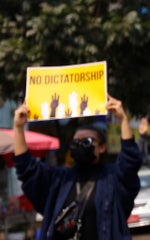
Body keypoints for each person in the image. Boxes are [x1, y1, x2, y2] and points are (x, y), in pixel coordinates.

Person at [13, 96, 142, 240]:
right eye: (75, 142)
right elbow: (27, 170)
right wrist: (18, 128)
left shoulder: (112, 178)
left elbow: (130, 163)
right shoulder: (60, 180)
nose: (80, 145)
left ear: (102, 147)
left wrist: (123, 119)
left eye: (87, 141)